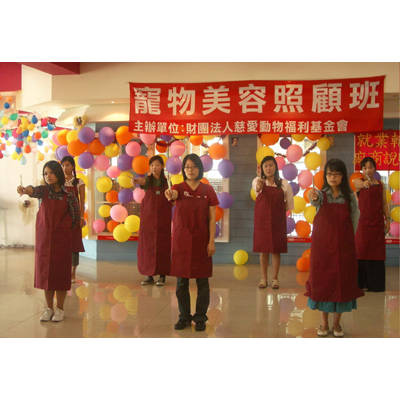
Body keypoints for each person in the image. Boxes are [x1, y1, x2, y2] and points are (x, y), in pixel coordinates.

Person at [305, 158, 364, 337]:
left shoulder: (349, 197)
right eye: (330, 174)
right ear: (325, 176)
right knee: (323, 282)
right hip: (322, 247)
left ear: (343, 176)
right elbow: (313, 200)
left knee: (342, 282)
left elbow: (355, 218)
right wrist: (312, 196)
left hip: (344, 247)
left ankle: (337, 324)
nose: (333, 177)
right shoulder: (321, 195)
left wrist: (349, 239)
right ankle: (324, 323)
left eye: (337, 174)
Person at [17, 160, 80, 322]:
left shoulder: (69, 195)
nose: (48, 176)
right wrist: (25, 190)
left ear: (58, 173)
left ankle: (60, 309)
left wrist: (64, 231)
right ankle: (48, 308)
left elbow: (75, 218)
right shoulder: (43, 191)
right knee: (46, 275)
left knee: (60, 274)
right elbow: (33, 190)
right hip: (45, 241)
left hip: (62, 240)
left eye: (51, 172)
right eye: (45, 173)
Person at [165, 153, 219, 331]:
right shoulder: (178, 188)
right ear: (183, 169)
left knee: (202, 282)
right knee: (182, 282)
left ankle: (201, 318)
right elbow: (171, 195)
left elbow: (212, 219)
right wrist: (170, 194)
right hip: (181, 241)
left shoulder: (207, 190)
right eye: (187, 167)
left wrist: (211, 242)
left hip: (202, 241)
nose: (190, 170)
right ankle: (184, 317)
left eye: (194, 166)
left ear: (200, 169)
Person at [252, 155, 294, 289]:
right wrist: (259, 185)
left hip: (277, 221)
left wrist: (278, 212)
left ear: (275, 167)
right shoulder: (257, 181)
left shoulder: (284, 184)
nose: (268, 168)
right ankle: (263, 279)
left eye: (271, 165)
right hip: (262, 222)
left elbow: (289, 204)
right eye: (265, 166)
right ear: (262, 169)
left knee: (276, 250)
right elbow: (256, 189)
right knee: (263, 250)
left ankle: (275, 279)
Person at [353, 157, 390, 292]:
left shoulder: (381, 185)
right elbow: (355, 183)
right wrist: (364, 184)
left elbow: (384, 203)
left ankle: (376, 284)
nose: (368, 170)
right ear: (362, 170)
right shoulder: (359, 182)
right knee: (361, 251)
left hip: (377, 224)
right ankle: (361, 284)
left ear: (375, 169)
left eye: (370, 167)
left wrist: (388, 220)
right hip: (363, 225)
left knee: (377, 253)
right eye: (365, 168)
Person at [134, 155, 172, 286]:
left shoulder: (167, 182)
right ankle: (148, 275)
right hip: (148, 220)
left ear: (162, 167)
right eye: (152, 165)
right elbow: (140, 181)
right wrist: (135, 180)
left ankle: (162, 276)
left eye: (157, 165)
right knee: (148, 246)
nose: (154, 167)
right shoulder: (147, 181)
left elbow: (172, 198)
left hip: (163, 220)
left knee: (162, 246)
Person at [61, 156, 85, 283]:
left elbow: (82, 201)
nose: (65, 168)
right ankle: (63, 271)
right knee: (62, 244)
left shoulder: (79, 182)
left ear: (73, 166)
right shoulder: (59, 182)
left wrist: (81, 217)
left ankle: (73, 273)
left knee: (74, 245)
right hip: (62, 218)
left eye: (68, 165)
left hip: (75, 218)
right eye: (63, 165)